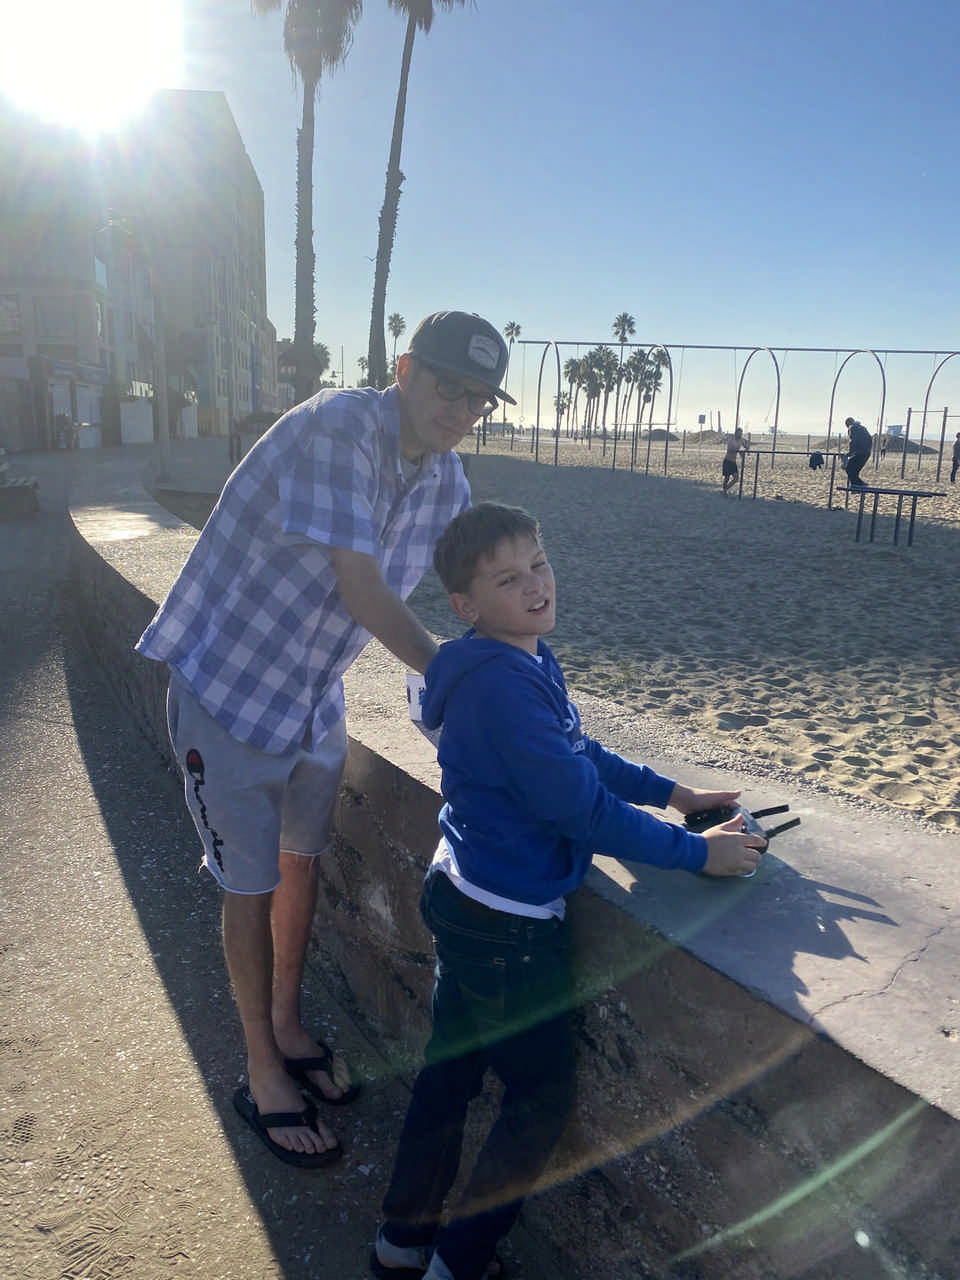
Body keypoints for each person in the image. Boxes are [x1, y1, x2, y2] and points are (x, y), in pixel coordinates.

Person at [135, 312, 516, 1169]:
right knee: (248, 882)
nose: (460, 410)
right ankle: (261, 1072)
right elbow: (359, 583)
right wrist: (456, 680)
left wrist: (520, 679)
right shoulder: (342, 423)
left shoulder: (448, 483)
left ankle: (286, 1021)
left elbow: (476, 584)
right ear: (406, 368)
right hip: (228, 685)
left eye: (479, 399)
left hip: (312, 695)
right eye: (449, 386)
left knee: (303, 862)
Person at [372, 503, 764, 1280]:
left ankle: (399, 1242)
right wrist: (695, 855)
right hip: (510, 926)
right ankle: (459, 1263)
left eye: (539, 564)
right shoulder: (505, 689)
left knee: (449, 1076)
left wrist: (674, 793)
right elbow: (578, 808)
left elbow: (578, 751)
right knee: (539, 1099)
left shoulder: (511, 659)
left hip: (461, 891)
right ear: (466, 604)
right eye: (508, 578)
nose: (536, 587)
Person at [844, 416, 873, 489]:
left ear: (848, 424)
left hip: (860, 452)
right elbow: (870, 439)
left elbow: (853, 441)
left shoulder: (852, 428)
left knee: (849, 468)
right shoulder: (863, 428)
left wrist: (850, 452)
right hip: (867, 452)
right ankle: (859, 483)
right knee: (855, 470)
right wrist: (868, 449)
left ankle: (856, 485)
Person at [721, 426, 748, 496]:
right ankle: (724, 491)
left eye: (741, 434)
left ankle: (725, 490)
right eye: (739, 433)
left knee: (736, 478)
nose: (740, 435)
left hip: (733, 462)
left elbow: (746, 445)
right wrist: (739, 452)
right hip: (727, 461)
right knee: (727, 478)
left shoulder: (741, 440)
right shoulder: (731, 440)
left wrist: (747, 447)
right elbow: (731, 449)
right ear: (736, 433)